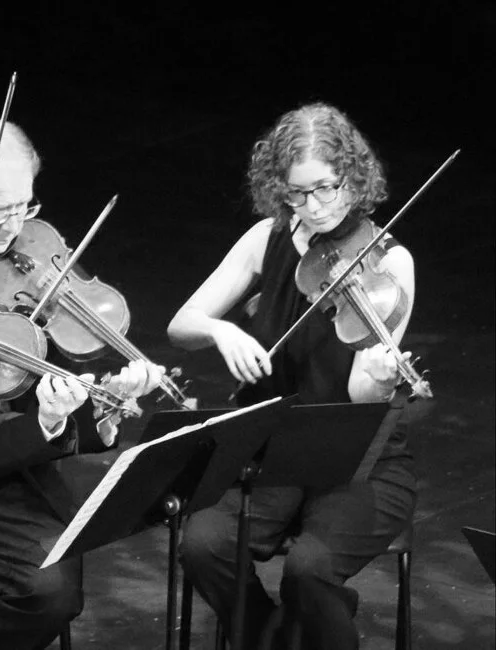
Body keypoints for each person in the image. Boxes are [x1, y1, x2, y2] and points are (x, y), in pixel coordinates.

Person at [169, 103, 417, 649]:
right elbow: (181, 325)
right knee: (202, 544)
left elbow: (361, 395)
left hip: (359, 461)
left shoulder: (388, 263)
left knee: (310, 569)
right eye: (298, 194)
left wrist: (380, 377)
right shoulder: (267, 237)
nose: (314, 207)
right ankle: (271, 637)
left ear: (352, 178)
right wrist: (220, 330)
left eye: (326, 188)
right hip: (270, 451)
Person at [0, 117, 163, 649]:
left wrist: (101, 404)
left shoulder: (34, 254)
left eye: (25, 206)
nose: (13, 226)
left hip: (1, 460)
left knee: (52, 593)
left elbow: (55, 391)